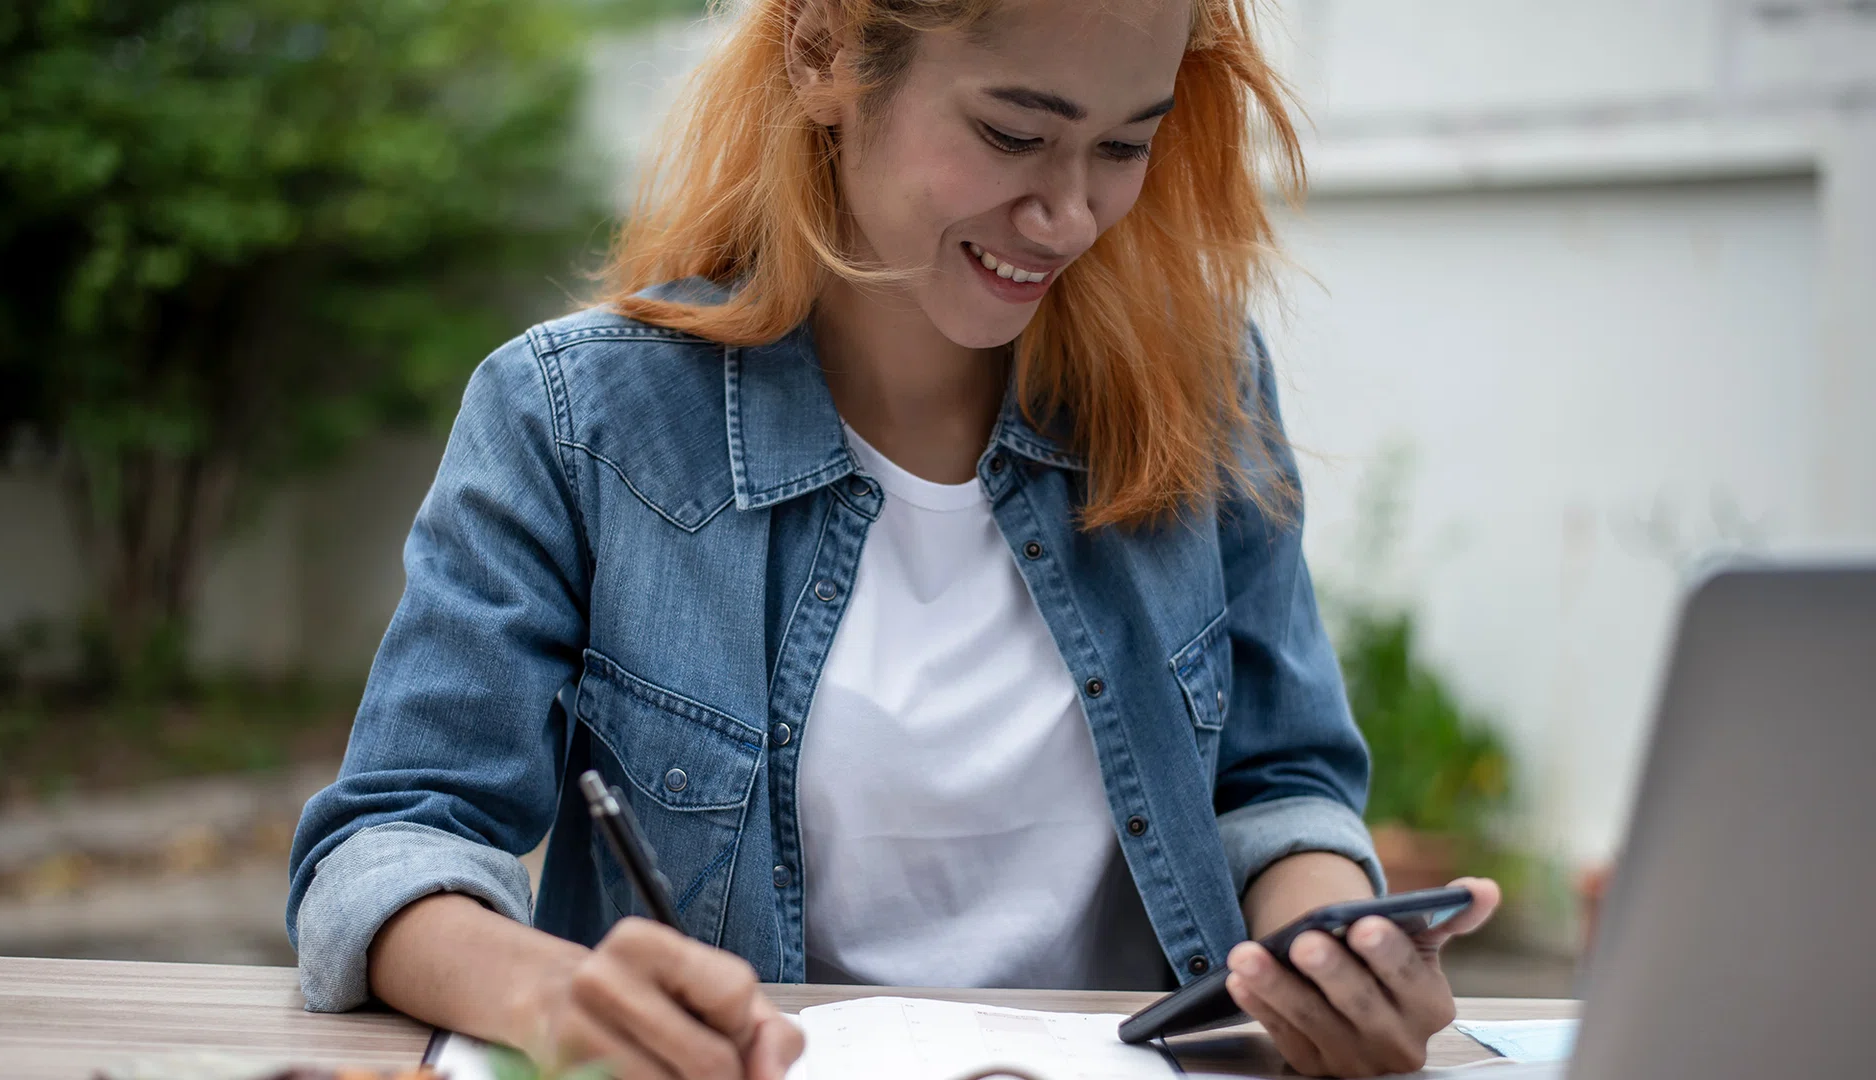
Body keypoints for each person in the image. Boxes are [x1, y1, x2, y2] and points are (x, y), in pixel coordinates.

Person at [286, 0, 1501, 1076]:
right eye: (1014, 134)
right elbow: (386, 848)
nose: (1071, 211)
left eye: (1125, 143)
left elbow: (1282, 790)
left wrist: (1337, 955)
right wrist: (562, 999)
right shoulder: (576, 422)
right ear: (825, 51)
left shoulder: (1202, 390)